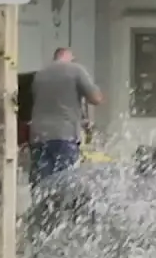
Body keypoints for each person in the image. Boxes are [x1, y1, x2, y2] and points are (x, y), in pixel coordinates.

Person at [29, 47, 103, 192]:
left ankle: (41, 213)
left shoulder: (39, 75)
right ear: (69, 57)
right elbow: (96, 98)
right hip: (64, 135)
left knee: (41, 186)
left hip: (37, 136)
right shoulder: (76, 70)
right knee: (66, 184)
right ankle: (62, 213)